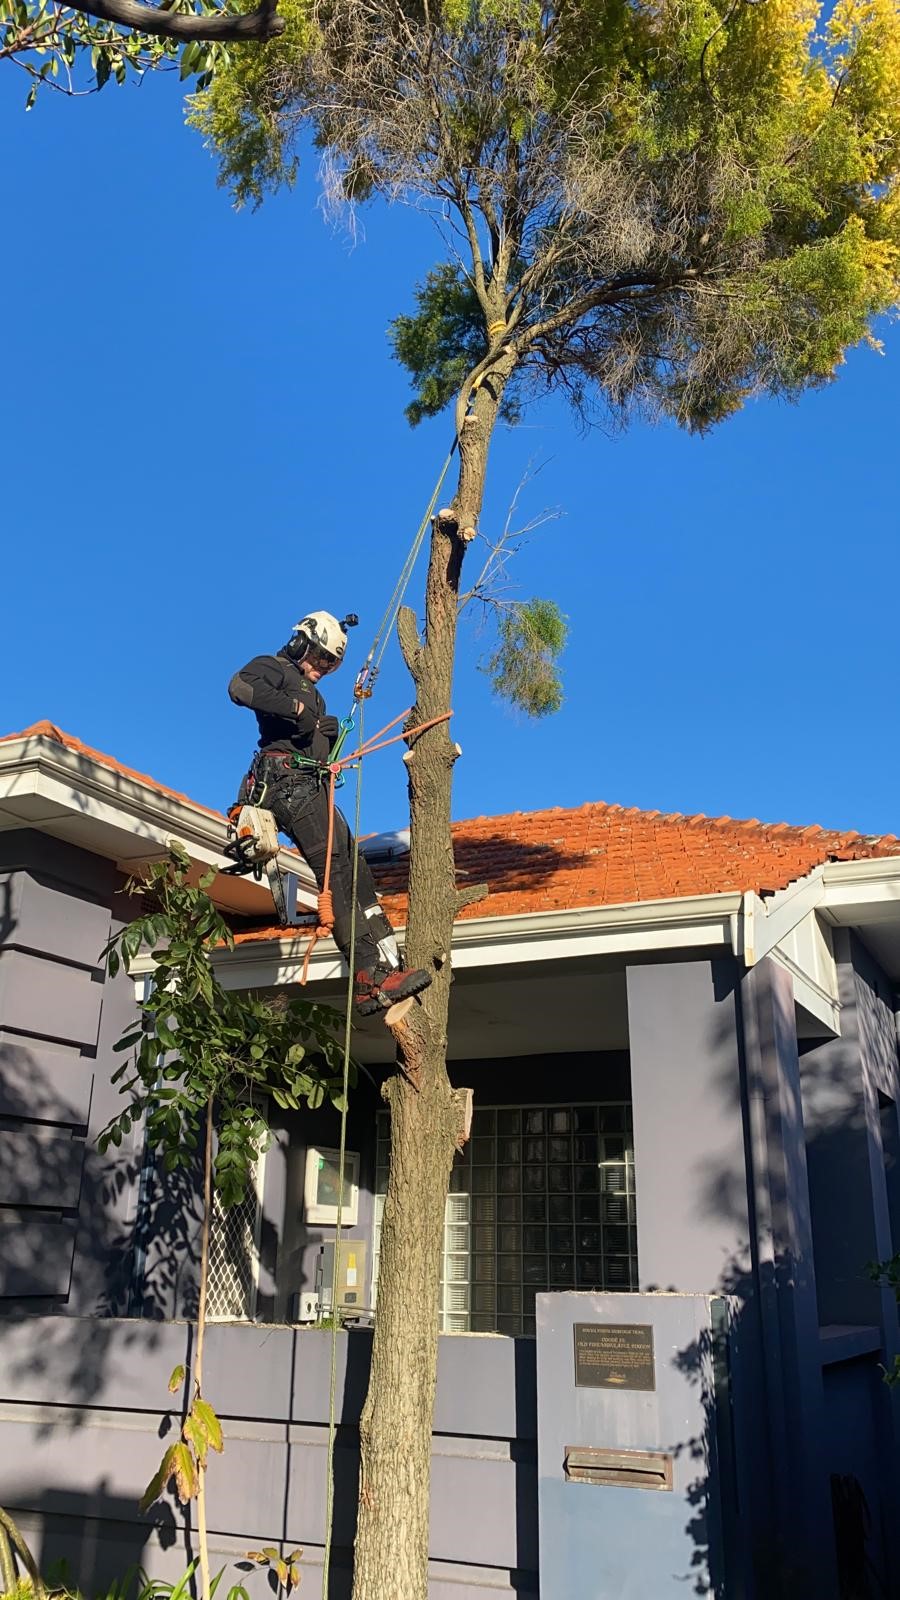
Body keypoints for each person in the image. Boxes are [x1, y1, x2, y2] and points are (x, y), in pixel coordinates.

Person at [228, 610, 431, 1018]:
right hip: (286, 785)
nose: (324, 669)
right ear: (301, 643)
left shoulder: (313, 695)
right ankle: (366, 981)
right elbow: (239, 687)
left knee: (356, 872)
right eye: (320, 659)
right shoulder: (275, 667)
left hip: (311, 786)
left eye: (330, 664)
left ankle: (389, 964)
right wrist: (298, 711)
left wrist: (325, 732)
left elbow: (314, 746)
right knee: (334, 873)